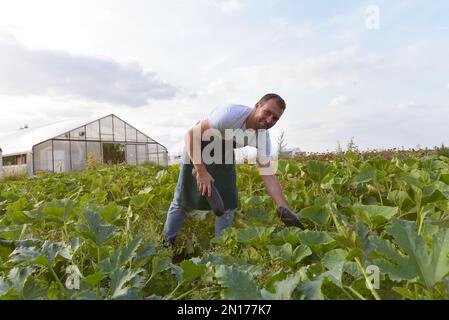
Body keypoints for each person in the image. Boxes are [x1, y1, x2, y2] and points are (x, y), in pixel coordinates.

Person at [163, 93, 303, 246]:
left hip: (224, 152)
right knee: (182, 199)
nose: (269, 120)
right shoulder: (229, 115)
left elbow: (268, 174)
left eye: (275, 118)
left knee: (228, 203)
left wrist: (283, 206)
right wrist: (202, 172)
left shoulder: (263, 137)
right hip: (198, 145)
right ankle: (167, 244)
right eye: (267, 112)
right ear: (257, 106)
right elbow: (191, 135)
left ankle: (220, 249)